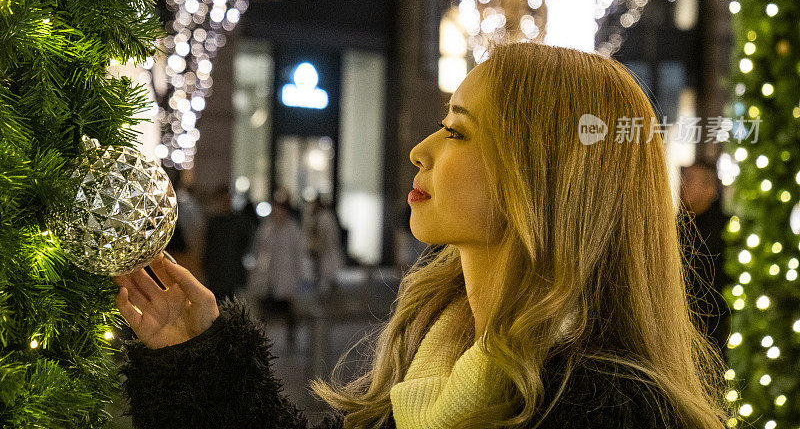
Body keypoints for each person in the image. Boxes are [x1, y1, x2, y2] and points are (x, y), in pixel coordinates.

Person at [113, 42, 731, 429]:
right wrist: (196, 353)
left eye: (458, 133)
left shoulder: (608, 408)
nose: (419, 150)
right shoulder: (438, 354)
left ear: (540, 177)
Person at [679, 160, 732, 355]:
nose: (682, 183)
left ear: (710, 189)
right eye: (683, 176)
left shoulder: (723, 229)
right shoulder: (679, 223)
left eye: (690, 178)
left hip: (710, 330)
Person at [245, 189, 305, 349]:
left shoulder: (293, 229)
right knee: (265, 309)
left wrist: (299, 275)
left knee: (288, 310)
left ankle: (291, 339)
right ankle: (261, 339)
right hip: (268, 276)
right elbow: (259, 250)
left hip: (286, 276)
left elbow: (299, 254)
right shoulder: (267, 228)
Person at [200, 185, 251, 301]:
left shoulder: (237, 221)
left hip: (230, 272)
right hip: (217, 273)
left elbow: (245, 243)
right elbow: (208, 247)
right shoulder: (214, 222)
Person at [304, 194, 345, 294]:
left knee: (326, 273)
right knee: (322, 272)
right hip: (322, 250)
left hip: (326, 249)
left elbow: (326, 234)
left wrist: (320, 244)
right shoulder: (319, 216)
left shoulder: (324, 217)